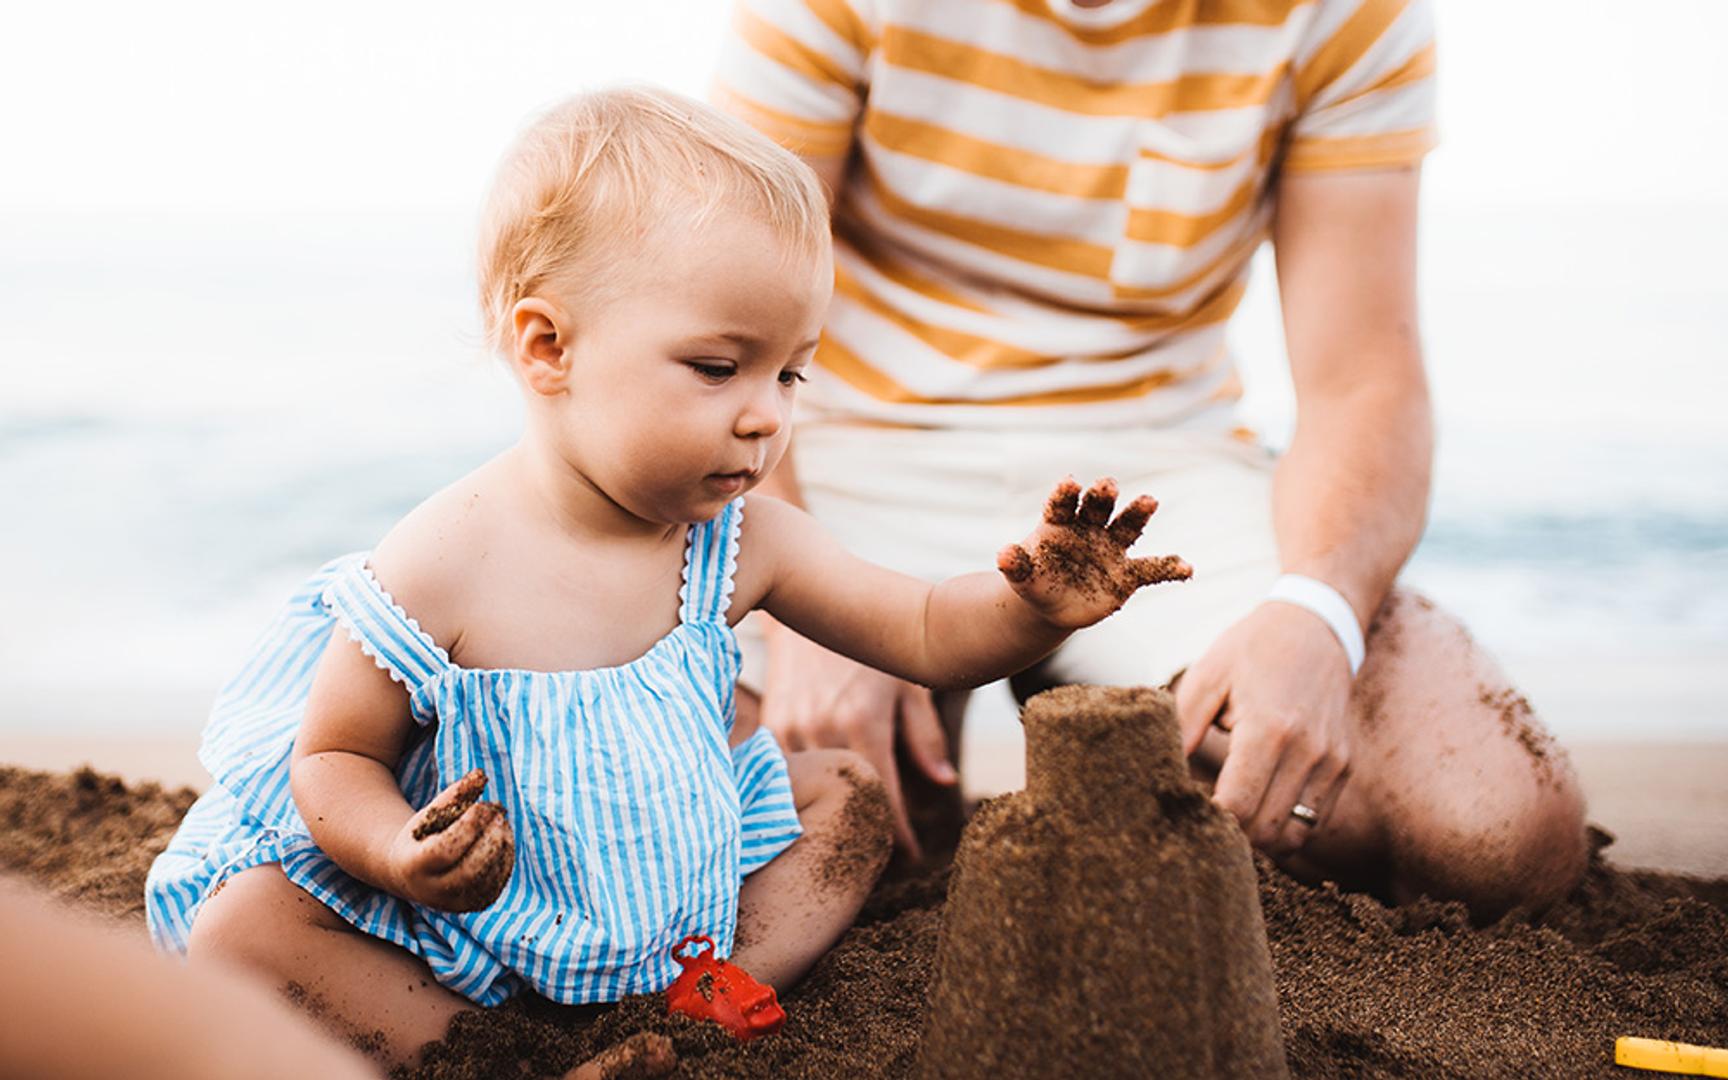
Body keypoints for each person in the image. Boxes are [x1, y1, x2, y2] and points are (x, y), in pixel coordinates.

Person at [142, 86, 1191, 1069]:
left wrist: (1030, 609)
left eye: (791, 372)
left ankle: (709, 1000)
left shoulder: (741, 542)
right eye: (717, 367)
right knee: (244, 929)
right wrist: (399, 850)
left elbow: (920, 626)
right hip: (473, 929)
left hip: (664, 908)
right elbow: (329, 757)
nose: (766, 414)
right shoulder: (440, 561)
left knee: (847, 796)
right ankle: (499, 1055)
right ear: (548, 346)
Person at [713, 0, 1589, 916]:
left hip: (1157, 468)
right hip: (848, 452)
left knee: (1493, 828)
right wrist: (795, 629)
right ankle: (931, 747)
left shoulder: (1345, 14)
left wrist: (1317, 610)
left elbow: (1364, 376)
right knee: (681, 798)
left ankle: (1118, 761)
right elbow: (728, 329)